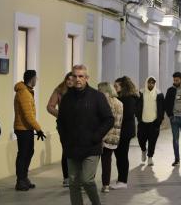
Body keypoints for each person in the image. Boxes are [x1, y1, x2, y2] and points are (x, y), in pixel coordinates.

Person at [58, 65, 114, 205]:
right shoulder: (66, 98)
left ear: (86, 78)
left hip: (91, 147)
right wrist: (64, 140)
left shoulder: (97, 96)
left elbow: (109, 119)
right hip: (72, 147)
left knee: (87, 180)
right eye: (75, 76)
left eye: (81, 76)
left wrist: (96, 136)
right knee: (73, 182)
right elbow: (61, 121)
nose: (78, 79)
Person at [14, 70, 46, 191]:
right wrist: (38, 129)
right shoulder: (24, 93)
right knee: (23, 154)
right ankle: (20, 181)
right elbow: (28, 115)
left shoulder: (27, 91)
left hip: (27, 128)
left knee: (28, 152)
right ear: (32, 79)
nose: (36, 80)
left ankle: (24, 178)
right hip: (22, 128)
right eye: (36, 78)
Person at [46, 72, 75, 187]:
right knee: (66, 149)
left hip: (78, 124)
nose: (70, 82)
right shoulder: (59, 90)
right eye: (68, 79)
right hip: (64, 125)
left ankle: (76, 176)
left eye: (72, 80)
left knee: (77, 149)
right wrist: (60, 115)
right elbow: (50, 106)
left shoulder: (79, 91)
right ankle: (67, 177)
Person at [111, 76, 137, 189]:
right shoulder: (121, 98)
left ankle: (123, 181)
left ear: (123, 87)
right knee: (120, 155)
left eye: (116, 86)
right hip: (121, 131)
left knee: (122, 156)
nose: (114, 88)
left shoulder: (129, 98)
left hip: (125, 131)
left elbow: (127, 114)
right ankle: (121, 180)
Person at [98, 82, 123, 193]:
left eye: (99, 90)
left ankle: (87, 183)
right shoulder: (120, 103)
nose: (97, 92)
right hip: (114, 136)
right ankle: (106, 185)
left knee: (93, 160)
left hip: (102, 135)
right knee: (107, 161)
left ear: (104, 91)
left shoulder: (104, 102)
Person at [136, 76, 165, 167]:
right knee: (141, 139)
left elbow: (162, 108)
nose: (151, 84)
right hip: (142, 122)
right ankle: (144, 150)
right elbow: (136, 105)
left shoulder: (159, 94)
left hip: (154, 122)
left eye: (153, 82)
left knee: (152, 141)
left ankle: (150, 158)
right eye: (149, 82)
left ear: (154, 83)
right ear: (146, 82)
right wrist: (138, 116)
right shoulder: (141, 92)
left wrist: (159, 120)